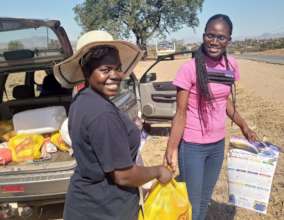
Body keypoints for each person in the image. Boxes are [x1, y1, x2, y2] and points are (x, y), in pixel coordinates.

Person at [54, 30, 172, 220]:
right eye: (105, 69)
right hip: (104, 210)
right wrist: (158, 171)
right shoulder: (102, 114)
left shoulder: (83, 100)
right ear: (86, 71)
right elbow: (123, 176)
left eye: (117, 68)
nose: (115, 75)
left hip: (88, 204)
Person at [164, 14, 257, 220]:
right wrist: (171, 148)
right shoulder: (189, 69)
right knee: (191, 205)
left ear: (229, 40)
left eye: (221, 37)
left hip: (217, 146)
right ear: (204, 35)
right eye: (210, 35)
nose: (214, 41)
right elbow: (180, 113)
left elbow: (224, 101)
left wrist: (244, 126)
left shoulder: (231, 66)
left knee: (205, 199)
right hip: (192, 147)